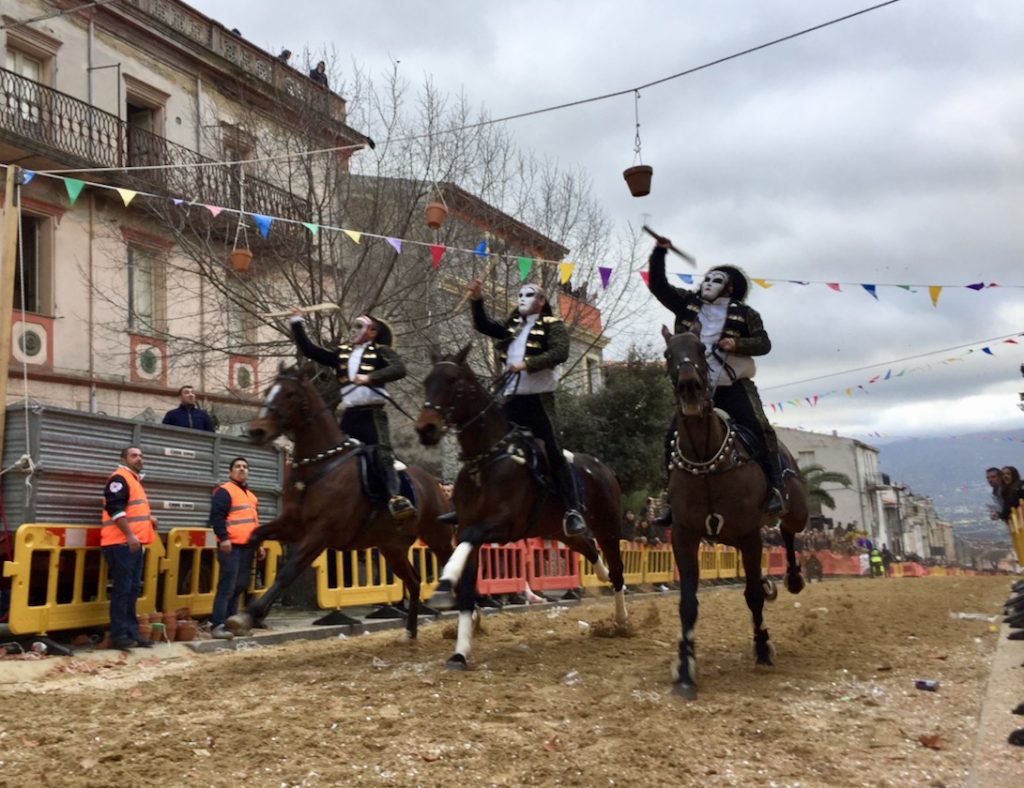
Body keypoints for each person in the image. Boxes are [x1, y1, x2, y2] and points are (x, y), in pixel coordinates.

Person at [647, 235, 785, 516]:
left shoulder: (746, 313)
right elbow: (658, 286)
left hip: (731, 385)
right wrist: (659, 254)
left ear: (729, 287)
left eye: (716, 280)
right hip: (694, 387)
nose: (707, 284)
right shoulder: (687, 303)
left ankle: (775, 489)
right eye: (706, 279)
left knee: (760, 428)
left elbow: (765, 344)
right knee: (672, 436)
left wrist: (737, 344)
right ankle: (671, 499)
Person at [468, 278, 585, 537]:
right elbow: (484, 325)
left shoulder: (553, 325)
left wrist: (528, 364)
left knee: (553, 450)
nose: (521, 298)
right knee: (486, 446)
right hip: (511, 399)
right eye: (519, 294)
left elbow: (560, 353)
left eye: (529, 294)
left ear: (541, 301)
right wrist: (477, 299)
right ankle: (473, 504)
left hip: (539, 401)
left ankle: (572, 511)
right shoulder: (513, 325)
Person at [289, 311, 414, 521]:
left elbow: (400, 369)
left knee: (381, 454)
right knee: (332, 454)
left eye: (359, 326)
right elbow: (309, 350)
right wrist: (297, 323)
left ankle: (395, 498)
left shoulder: (381, 351)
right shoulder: (341, 353)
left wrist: (370, 377)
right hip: (349, 414)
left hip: (373, 415)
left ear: (372, 332)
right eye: (354, 326)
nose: (354, 331)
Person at [101, 446, 157, 650]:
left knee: (132, 590)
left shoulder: (133, 480)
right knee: (123, 591)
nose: (139, 458)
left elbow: (131, 510)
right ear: (123, 458)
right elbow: (114, 508)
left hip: (131, 544)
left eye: (141, 455)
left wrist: (149, 520)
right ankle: (119, 635)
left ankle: (131, 632)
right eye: (134, 455)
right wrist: (130, 535)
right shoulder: (119, 478)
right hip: (121, 544)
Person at [209, 457, 265, 640]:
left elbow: (254, 523)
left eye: (245, 467)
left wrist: (259, 545)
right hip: (231, 546)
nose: (242, 469)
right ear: (230, 471)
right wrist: (223, 539)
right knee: (227, 586)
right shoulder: (225, 491)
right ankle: (218, 625)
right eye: (238, 466)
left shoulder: (251, 496)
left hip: (247, 547)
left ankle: (231, 623)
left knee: (239, 586)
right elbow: (216, 517)